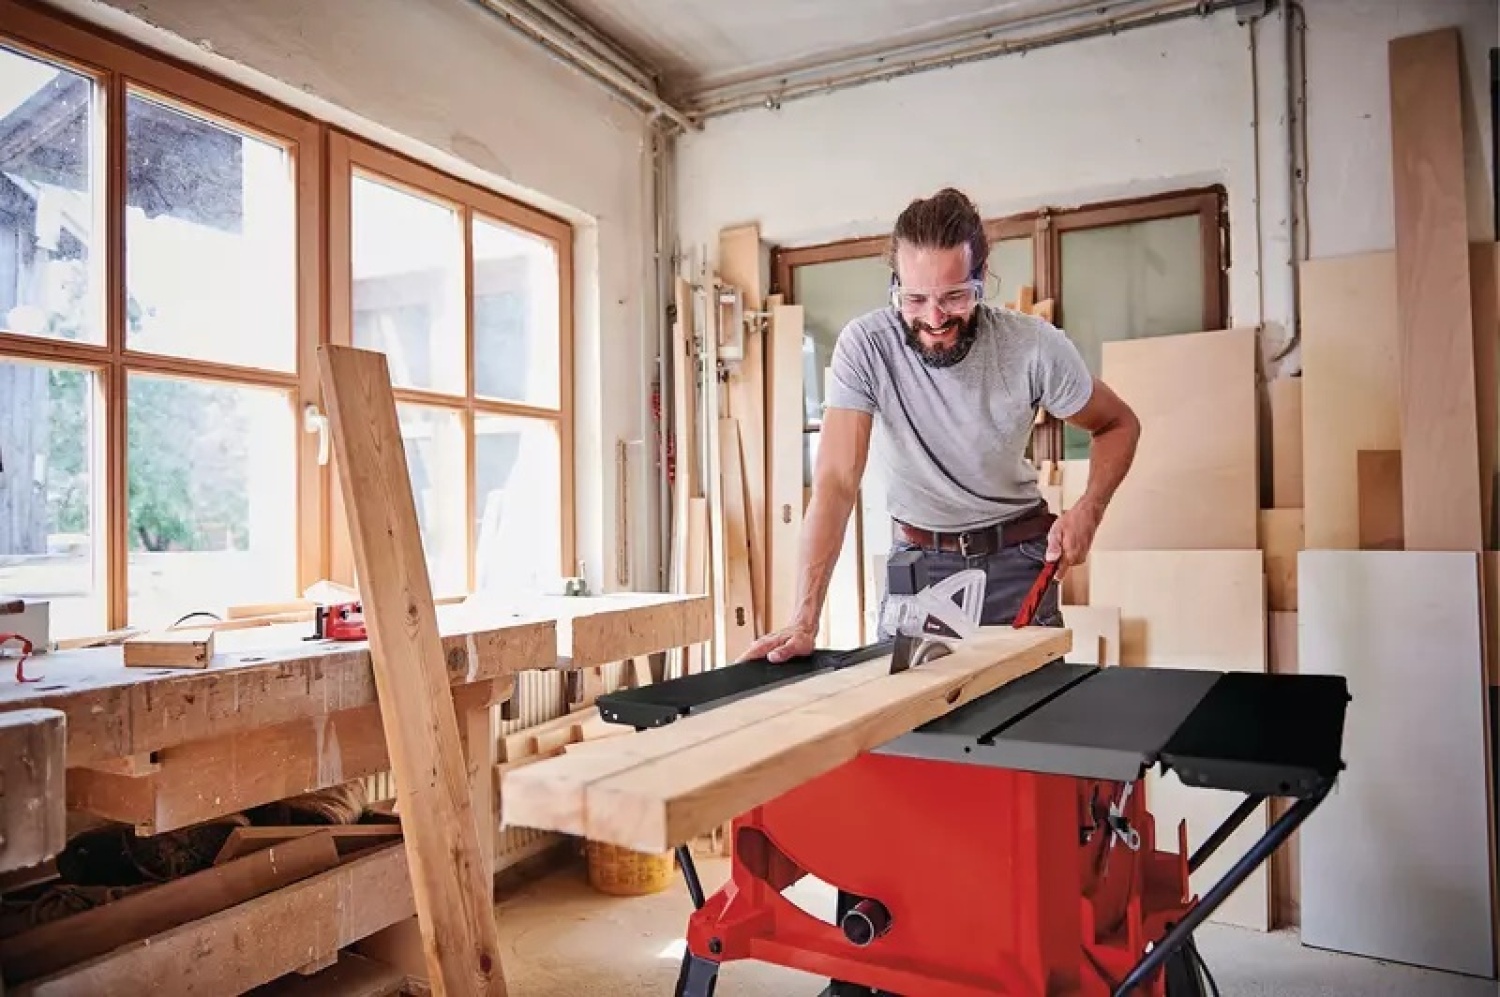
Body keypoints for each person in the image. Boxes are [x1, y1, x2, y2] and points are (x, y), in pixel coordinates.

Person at [741, 187, 1139, 663]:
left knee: (1030, 707)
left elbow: (1117, 423)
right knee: (907, 709)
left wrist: (1090, 507)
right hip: (919, 570)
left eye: (955, 297)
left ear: (981, 279)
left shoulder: (1032, 347)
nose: (933, 319)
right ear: (895, 285)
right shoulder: (866, 347)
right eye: (914, 299)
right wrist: (804, 619)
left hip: (1017, 562)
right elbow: (836, 484)